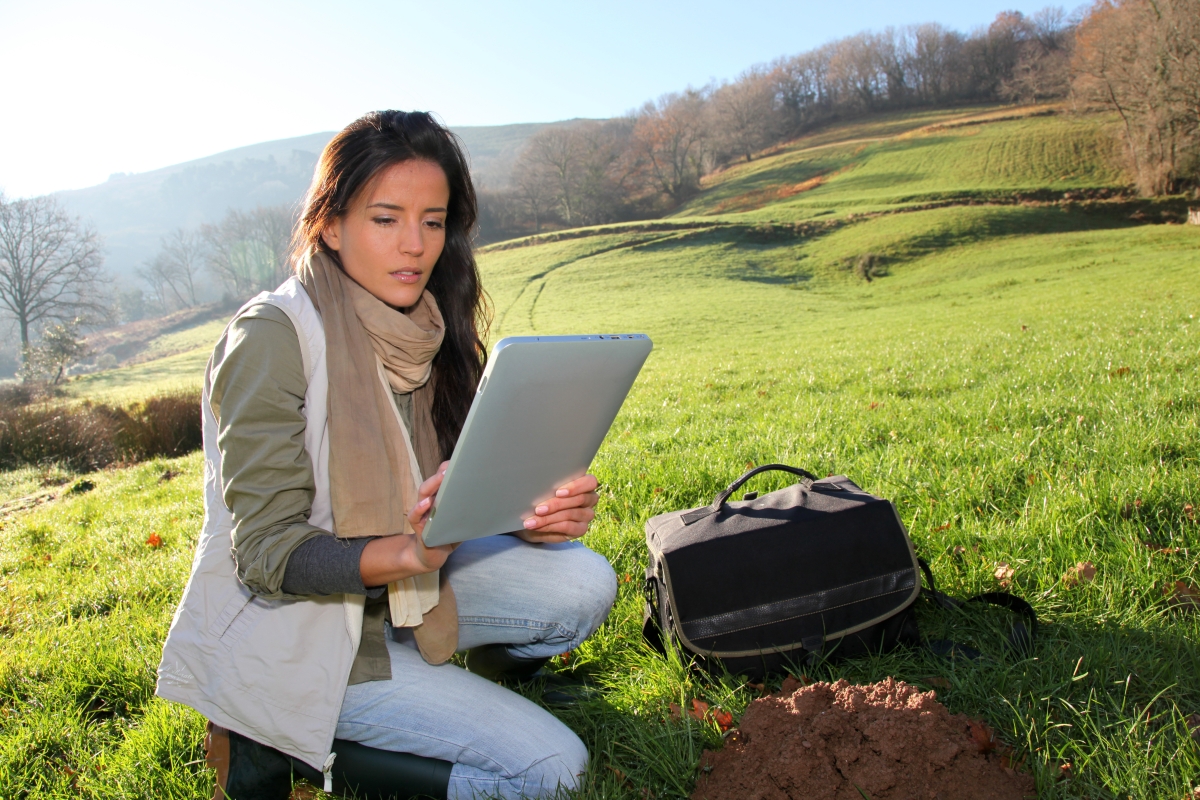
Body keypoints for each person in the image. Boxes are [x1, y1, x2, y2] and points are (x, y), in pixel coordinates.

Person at [156, 110, 617, 800]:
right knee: (553, 772)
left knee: (584, 583)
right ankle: (297, 745)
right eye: (386, 219)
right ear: (331, 225)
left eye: (433, 221)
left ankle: (451, 685)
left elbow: (454, 491)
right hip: (305, 636)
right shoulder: (273, 337)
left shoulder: (425, 327)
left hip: (408, 597)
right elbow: (268, 555)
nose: (415, 246)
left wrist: (529, 513)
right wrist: (405, 554)